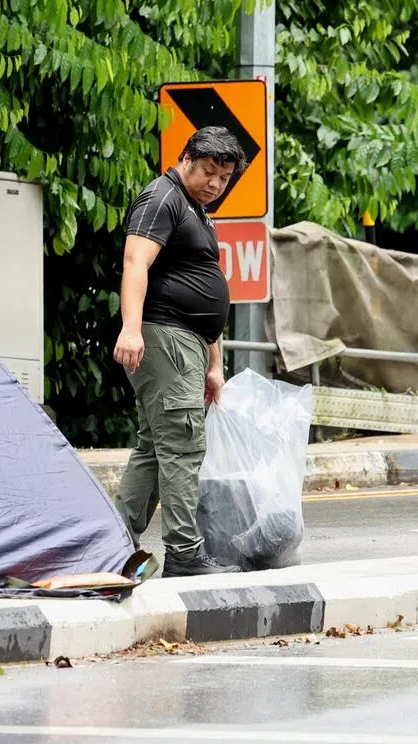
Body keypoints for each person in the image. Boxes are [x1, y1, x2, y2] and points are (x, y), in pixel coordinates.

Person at [112, 126, 246, 577]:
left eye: (224, 177)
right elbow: (135, 262)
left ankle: (114, 543)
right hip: (164, 335)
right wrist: (131, 328)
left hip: (186, 342)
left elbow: (206, 292)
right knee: (183, 444)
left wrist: (214, 364)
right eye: (208, 171)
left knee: (156, 446)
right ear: (186, 158)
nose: (215, 183)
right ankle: (185, 553)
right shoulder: (162, 199)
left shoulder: (197, 211)